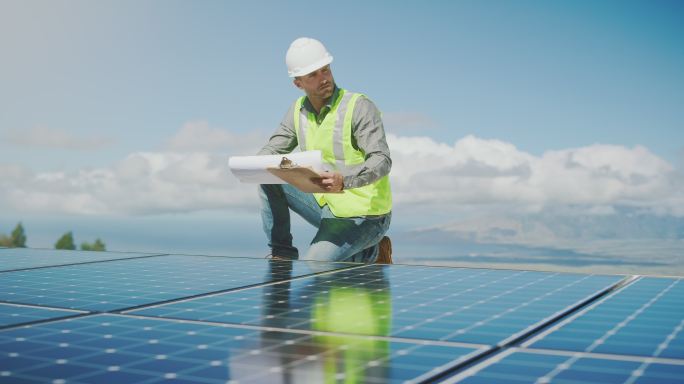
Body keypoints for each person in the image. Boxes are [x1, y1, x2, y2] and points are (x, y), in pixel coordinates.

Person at [257, 37, 393, 263]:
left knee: (316, 267)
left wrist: (345, 181)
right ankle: (282, 254)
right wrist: (255, 164)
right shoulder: (297, 110)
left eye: (325, 70)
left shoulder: (358, 106)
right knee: (268, 175)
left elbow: (382, 160)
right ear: (298, 83)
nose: (324, 78)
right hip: (325, 203)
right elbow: (272, 149)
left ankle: (373, 251)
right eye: (313, 75)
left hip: (365, 214)